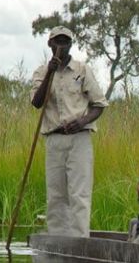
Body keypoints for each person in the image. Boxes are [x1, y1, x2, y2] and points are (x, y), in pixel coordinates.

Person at [30, 25, 108, 237]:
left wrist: (82, 122)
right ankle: (58, 242)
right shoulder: (41, 72)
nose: (61, 46)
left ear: (71, 45)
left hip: (79, 139)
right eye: (57, 42)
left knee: (79, 194)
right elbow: (37, 102)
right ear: (50, 44)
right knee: (56, 195)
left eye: (65, 42)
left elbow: (99, 104)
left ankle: (80, 242)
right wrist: (50, 73)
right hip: (54, 139)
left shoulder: (82, 70)